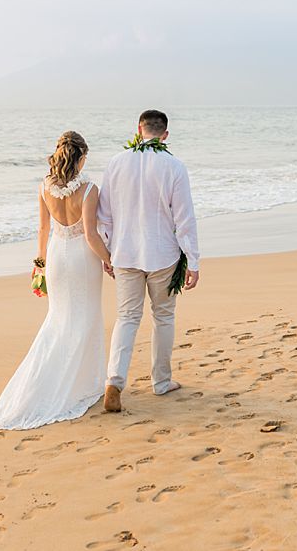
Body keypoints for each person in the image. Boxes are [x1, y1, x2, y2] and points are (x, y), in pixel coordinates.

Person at [0, 131, 113, 430]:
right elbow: (91, 236)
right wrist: (109, 259)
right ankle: (83, 385)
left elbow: (42, 230)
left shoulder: (44, 187)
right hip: (82, 259)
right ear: (80, 157)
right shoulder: (90, 189)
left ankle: (50, 384)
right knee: (86, 318)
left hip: (56, 258)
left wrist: (39, 264)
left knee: (59, 319)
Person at [97, 109, 200, 413]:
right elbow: (184, 219)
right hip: (163, 254)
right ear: (165, 135)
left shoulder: (116, 163)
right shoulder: (174, 166)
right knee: (163, 317)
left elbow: (104, 215)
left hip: (125, 253)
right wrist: (193, 261)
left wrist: (107, 252)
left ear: (138, 129)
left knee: (127, 317)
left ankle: (114, 380)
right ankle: (161, 381)